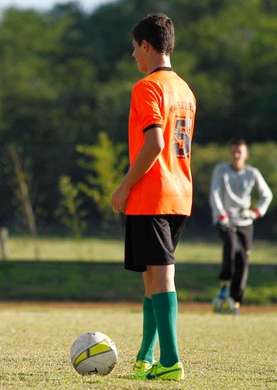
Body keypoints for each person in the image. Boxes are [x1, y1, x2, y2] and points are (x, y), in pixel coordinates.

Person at [111, 13, 196, 381]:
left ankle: (171, 360)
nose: (133, 55)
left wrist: (125, 185)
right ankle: (145, 356)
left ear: (146, 45)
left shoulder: (147, 87)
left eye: (134, 47)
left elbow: (155, 142)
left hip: (153, 194)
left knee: (161, 277)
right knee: (152, 277)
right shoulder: (185, 89)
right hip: (180, 193)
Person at [209, 139, 272, 315]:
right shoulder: (221, 170)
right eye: (234, 151)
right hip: (225, 220)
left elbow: (267, 195)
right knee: (231, 246)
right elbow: (214, 194)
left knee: (243, 259)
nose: (236, 155)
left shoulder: (252, 173)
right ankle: (224, 284)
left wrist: (256, 212)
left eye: (240, 152)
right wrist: (221, 213)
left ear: (246, 154)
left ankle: (235, 300)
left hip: (245, 222)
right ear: (230, 153)